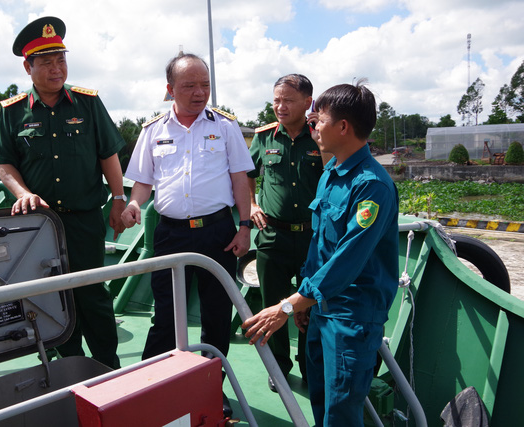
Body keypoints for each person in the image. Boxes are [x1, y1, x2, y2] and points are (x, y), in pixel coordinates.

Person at [242, 81, 399, 426]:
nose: (313, 127)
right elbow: (319, 245)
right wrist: (306, 302)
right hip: (319, 311)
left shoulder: (371, 186)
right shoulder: (330, 172)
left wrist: (290, 305)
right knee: (320, 400)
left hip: (350, 318)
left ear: (343, 127)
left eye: (319, 121)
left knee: (340, 413)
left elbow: (347, 260)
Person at [121, 52, 254, 417]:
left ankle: (213, 389)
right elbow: (143, 184)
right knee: (166, 316)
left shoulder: (225, 127)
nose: (199, 93)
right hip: (171, 235)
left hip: (218, 234)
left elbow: (239, 178)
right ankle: (150, 386)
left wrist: (244, 227)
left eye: (205, 85)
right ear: (170, 90)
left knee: (216, 316)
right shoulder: (153, 132)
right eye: (189, 86)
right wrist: (134, 205)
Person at [0, 16, 125, 369]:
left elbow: (107, 154)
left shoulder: (87, 104)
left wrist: (119, 198)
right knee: (52, 297)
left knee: (92, 293)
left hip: (84, 220)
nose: (57, 69)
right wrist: (22, 193)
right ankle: (72, 367)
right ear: (28, 66)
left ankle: (108, 365)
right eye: (47, 62)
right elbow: (5, 165)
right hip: (39, 224)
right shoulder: (12, 112)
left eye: (61, 60)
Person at [248, 74, 331, 391]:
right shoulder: (265, 137)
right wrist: (253, 204)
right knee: (274, 304)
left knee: (312, 305)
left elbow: (333, 170)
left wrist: (316, 133)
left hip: (313, 238)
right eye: (276, 101)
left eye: (288, 101)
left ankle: (311, 368)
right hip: (273, 236)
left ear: (308, 102)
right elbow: (247, 173)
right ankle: (277, 367)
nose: (280, 107)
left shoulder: (320, 136)